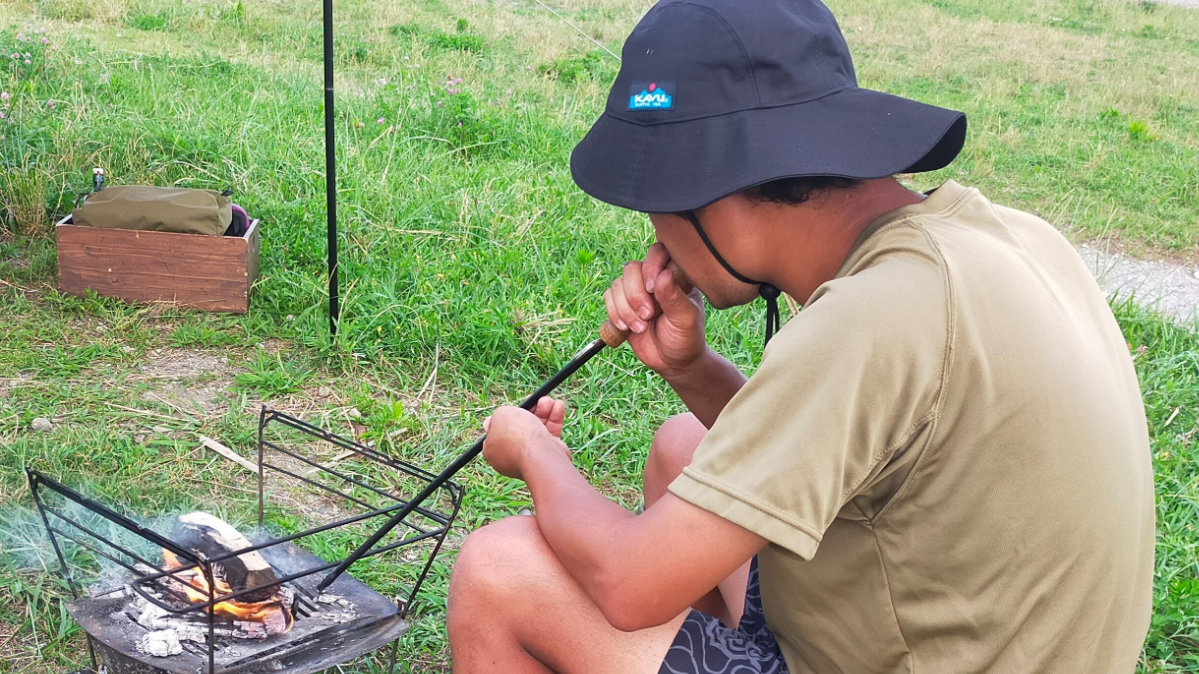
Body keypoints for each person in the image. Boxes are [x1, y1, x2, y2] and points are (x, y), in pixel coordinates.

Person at [446, 0, 1155, 672]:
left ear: (719, 189)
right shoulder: (1001, 238)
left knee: (499, 570)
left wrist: (536, 454)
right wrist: (689, 369)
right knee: (681, 449)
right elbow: (869, 446)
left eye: (656, 202)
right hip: (991, 639)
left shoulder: (870, 315)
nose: (656, 237)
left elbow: (628, 586)